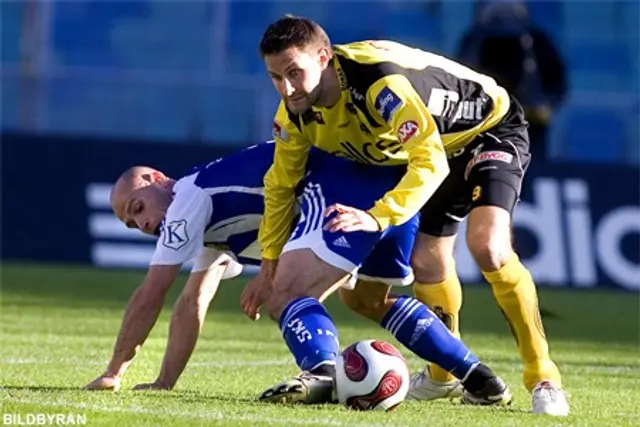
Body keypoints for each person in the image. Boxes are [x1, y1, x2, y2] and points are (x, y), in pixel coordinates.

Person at [250, 15, 568, 416]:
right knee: (426, 263)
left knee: (489, 248)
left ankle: (543, 378)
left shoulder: (379, 84)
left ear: (324, 58)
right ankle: (443, 378)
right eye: (276, 77)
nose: (287, 88)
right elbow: (281, 185)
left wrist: (379, 217)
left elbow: (430, 163)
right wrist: (269, 262)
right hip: (426, 152)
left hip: (487, 130)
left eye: (295, 72)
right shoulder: (294, 114)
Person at [83, 141, 511, 409]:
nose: (142, 224)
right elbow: (193, 300)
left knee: (283, 293)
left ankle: (322, 372)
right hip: (386, 187)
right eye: (130, 224)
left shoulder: (185, 202)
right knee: (366, 300)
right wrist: (164, 382)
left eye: (137, 208)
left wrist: (114, 370)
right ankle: (480, 379)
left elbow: (151, 292)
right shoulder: (206, 216)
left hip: (343, 192)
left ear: (157, 179)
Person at [456, 0, 568, 161]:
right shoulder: (474, 40)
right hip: (485, 124)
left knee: (529, 169)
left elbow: (556, 80)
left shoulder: (536, 40)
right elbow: (460, 80)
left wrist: (546, 105)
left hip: (530, 123)